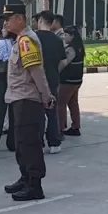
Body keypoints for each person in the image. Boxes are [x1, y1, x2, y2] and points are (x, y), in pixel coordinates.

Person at [1, 4, 55, 202]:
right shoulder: (20, 40)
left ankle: (35, 185)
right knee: (21, 143)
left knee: (29, 143)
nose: (5, 22)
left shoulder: (26, 41)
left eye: (8, 18)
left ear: (20, 19)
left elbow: (36, 72)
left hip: (27, 99)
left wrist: (46, 95)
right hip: (18, 98)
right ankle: (25, 178)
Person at [33, 10, 65, 154]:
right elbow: (63, 61)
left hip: (35, 80)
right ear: (52, 23)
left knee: (37, 112)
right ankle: (54, 142)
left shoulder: (33, 38)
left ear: (40, 21)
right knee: (52, 111)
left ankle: (38, 141)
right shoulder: (57, 40)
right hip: (52, 79)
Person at [58, 25, 85, 137]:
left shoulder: (71, 49)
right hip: (77, 80)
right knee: (73, 103)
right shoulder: (79, 47)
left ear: (72, 36)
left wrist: (56, 71)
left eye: (66, 35)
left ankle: (60, 127)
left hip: (68, 80)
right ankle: (75, 126)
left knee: (60, 103)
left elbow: (64, 63)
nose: (64, 37)